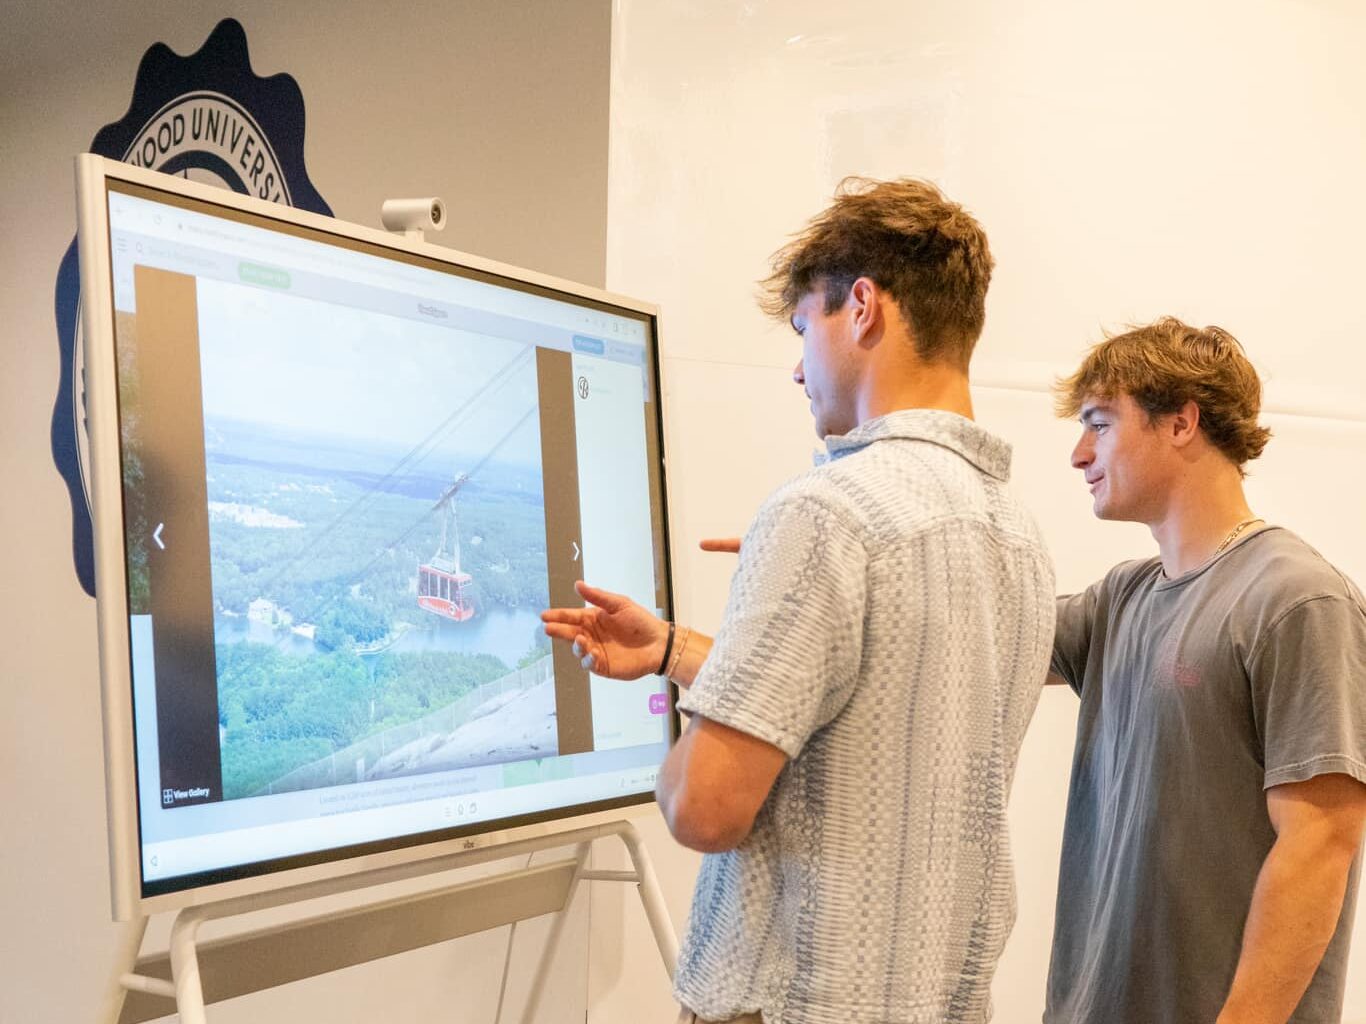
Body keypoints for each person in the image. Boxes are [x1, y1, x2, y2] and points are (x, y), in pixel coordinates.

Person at [542, 178, 1055, 1024]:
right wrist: (675, 649)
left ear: (863, 308)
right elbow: (875, 714)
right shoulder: (1018, 535)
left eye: (802, 327)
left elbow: (703, 809)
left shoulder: (826, 514)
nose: (796, 366)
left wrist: (684, 738)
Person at [1045, 317, 1366, 1023]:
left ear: (1181, 422)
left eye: (1099, 423)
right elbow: (975, 626)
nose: (1079, 453)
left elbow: (1321, 842)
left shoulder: (1296, 599)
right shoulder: (1120, 599)